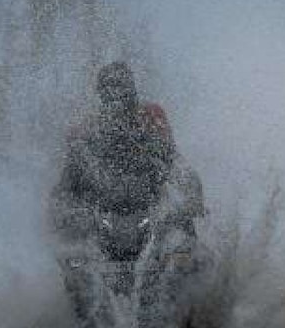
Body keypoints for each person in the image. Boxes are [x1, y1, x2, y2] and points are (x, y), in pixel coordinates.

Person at [52, 61, 202, 239]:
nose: (116, 96)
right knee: (69, 214)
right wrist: (62, 211)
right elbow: (71, 165)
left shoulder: (150, 115)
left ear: (131, 91)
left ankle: (186, 245)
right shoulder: (89, 125)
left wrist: (192, 198)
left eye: (121, 89)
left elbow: (172, 157)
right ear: (102, 95)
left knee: (181, 233)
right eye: (110, 90)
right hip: (105, 200)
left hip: (149, 196)